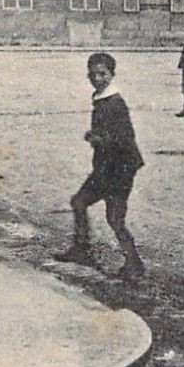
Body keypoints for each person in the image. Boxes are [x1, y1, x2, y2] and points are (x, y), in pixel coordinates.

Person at [53, 53, 145, 282]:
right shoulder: (102, 99)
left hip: (120, 170)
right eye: (93, 74)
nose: (97, 78)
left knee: (114, 218)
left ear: (112, 75)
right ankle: (81, 249)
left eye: (103, 74)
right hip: (106, 169)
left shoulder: (115, 103)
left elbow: (125, 139)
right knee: (79, 202)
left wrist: (99, 139)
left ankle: (134, 264)